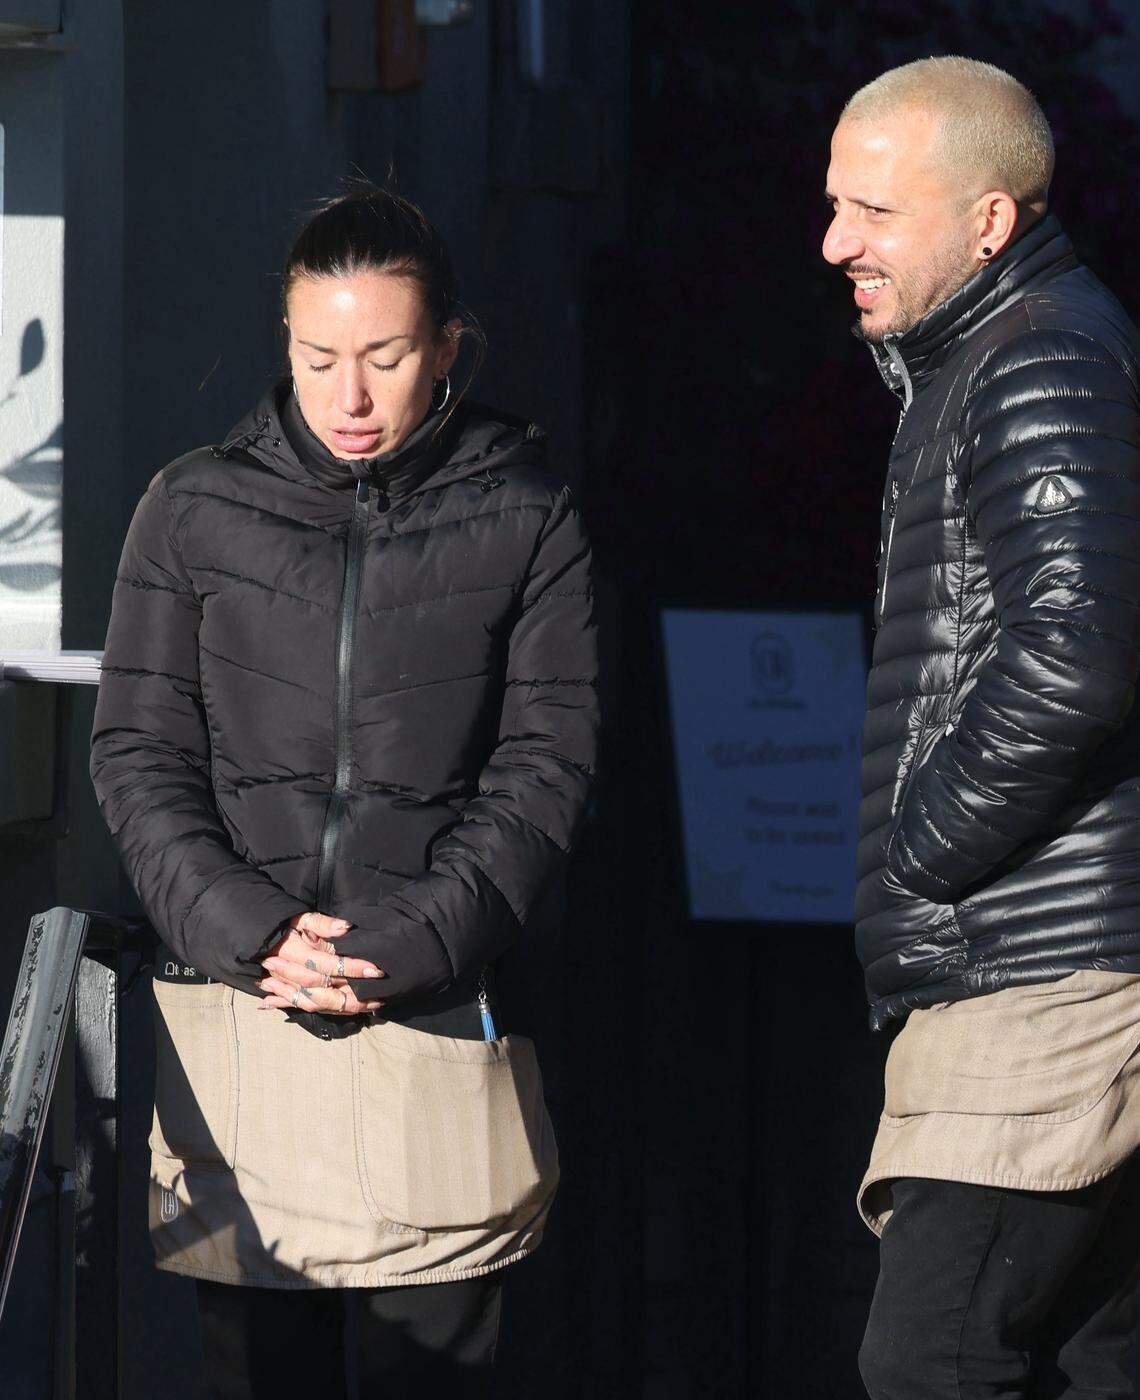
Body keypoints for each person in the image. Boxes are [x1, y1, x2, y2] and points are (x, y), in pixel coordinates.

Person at [90, 186, 598, 1398]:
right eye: (320, 357)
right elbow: (136, 749)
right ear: (285, 345)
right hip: (240, 1030)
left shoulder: (527, 517)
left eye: (386, 355)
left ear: (448, 348)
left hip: (438, 1022)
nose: (350, 396)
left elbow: (549, 763)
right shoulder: (192, 507)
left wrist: (409, 938)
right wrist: (250, 932)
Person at [824, 57, 1140, 1397]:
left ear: (990, 222)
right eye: (836, 205)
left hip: (1042, 976)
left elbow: (1078, 652)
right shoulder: (1009, 354)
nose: (835, 242)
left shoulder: (1039, 362)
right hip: (1060, 961)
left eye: (876, 212)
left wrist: (921, 847)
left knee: (934, 1355)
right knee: (1086, 1361)